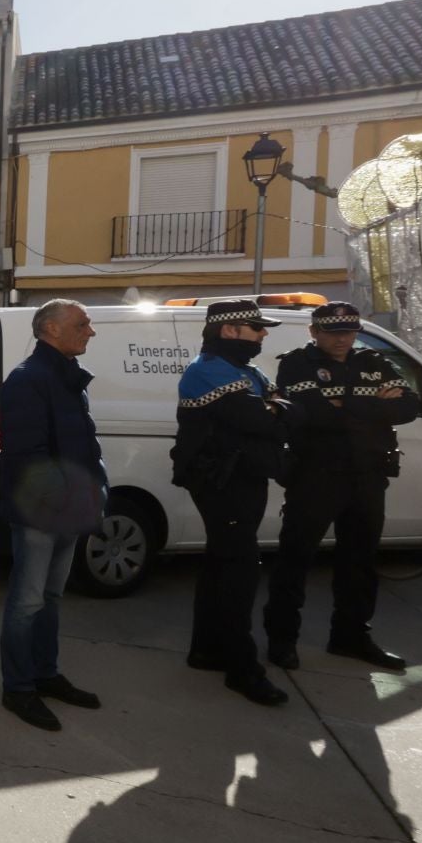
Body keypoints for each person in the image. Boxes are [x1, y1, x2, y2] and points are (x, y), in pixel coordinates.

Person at [265, 302, 416, 671]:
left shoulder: (374, 361)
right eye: (333, 332)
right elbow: (310, 412)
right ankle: (282, 640)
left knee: (360, 564)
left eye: (349, 331)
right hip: (316, 476)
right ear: (314, 332)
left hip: (368, 476)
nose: (342, 338)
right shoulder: (296, 363)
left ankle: (351, 637)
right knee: (295, 561)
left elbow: (409, 406)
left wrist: (342, 403)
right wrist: (370, 404)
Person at [171, 300, 293, 707]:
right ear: (229, 331)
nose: (263, 334)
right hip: (223, 483)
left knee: (221, 566)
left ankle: (205, 650)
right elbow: (261, 420)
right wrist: (274, 409)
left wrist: (274, 408)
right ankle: (242, 669)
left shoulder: (246, 372)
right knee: (238, 573)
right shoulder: (207, 369)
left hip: (243, 478)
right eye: (255, 328)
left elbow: (285, 410)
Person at [0, 300, 108, 731]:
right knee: (26, 601)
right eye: (82, 323)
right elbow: (28, 459)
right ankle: (18, 688)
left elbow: (84, 447)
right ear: (50, 329)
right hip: (41, 514)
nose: (90, 331)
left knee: (51, 598)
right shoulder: (28, 380)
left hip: (68, 511)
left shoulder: (67, 377)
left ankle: (46, 673)